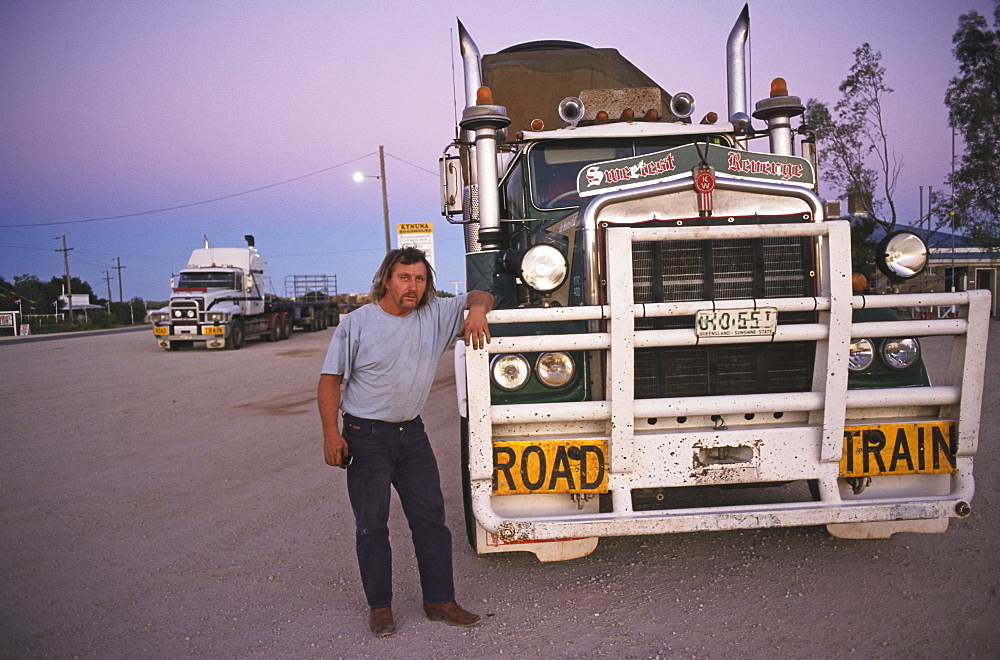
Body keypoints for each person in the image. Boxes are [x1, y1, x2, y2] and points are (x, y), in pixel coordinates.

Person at [317, 246, 493, 638]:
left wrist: (477, 311)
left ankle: (439, 600)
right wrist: (332, 433)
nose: (412, 286)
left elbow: (480, 294)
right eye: (404, 277)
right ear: (386, 279)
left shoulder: (435, 314)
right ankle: (380, 608)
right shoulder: (358, 323)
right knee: (372, 526)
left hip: (411, 435)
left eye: (420, 278)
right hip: (365, 437)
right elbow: (330, 380)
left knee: (431, 521)